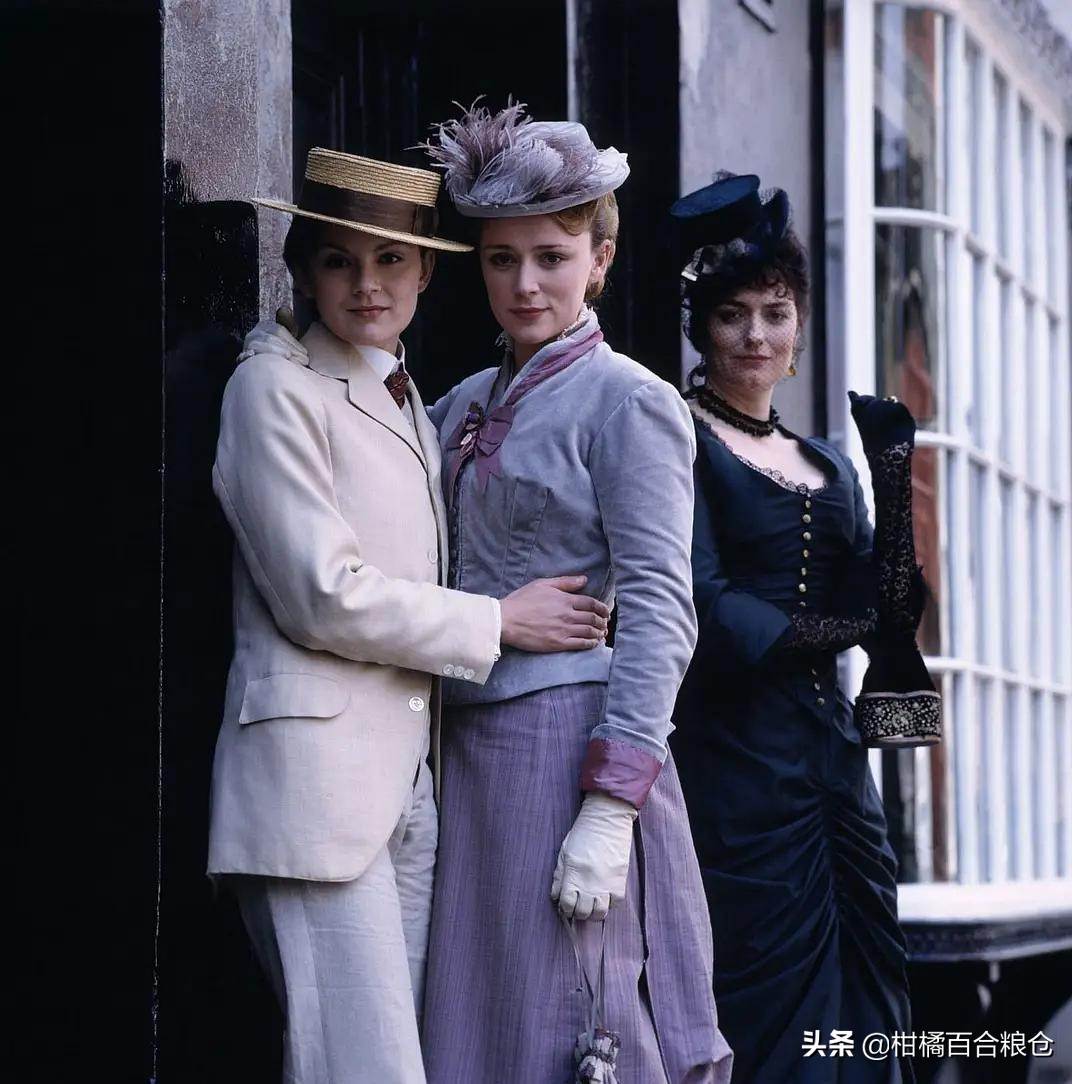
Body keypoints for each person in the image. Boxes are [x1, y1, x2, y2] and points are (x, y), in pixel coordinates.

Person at [209, 147, 609, 1084]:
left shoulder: (409, 396)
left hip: (408, 795)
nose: (367, 284)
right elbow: (321, 593)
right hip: (315, 799)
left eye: (391, 259)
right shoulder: (272, 387)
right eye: (340, 260)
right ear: (302, 269)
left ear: (427, 271)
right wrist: (494, 621)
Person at [419, 101, 732, 1084]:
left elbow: (662, 613)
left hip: (565, 752)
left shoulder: (630, 403)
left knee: (570, 1028)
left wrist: (610, 805)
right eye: (501, 259)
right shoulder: (459, 405)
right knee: (475, 1028)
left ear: (599, 260)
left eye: (551, 257)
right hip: (461, 755)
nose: (524, 283)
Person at [668, 172, 917, 1083]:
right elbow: (707, 605)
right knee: (763, 1009)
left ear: (799, 327)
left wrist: (894, 479)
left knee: (869, 1002)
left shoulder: (825, 462)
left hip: (834, 775)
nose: (756, 336)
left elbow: (894, 614)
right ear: (701, 327)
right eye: (732, 315)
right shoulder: (677, 436)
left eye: (776, 313)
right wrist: (845, 626)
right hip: (734, 772)